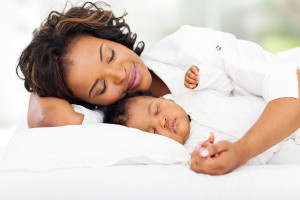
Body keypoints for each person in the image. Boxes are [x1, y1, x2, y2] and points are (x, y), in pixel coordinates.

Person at [16, 1, 300, 175]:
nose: (121, 74)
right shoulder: (116, 121)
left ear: (112, 38)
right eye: (100, 86)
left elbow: (291, 86)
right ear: (88, 101)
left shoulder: (188, 47)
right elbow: (46, 118)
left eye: (111, 55)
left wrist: (241, 151)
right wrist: (44, 67)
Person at [102, 91, 300, 172]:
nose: (161, 122)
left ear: (167, 98)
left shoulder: (194, 92)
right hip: (278, 154)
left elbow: (221, 79)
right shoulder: (187, 153)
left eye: (156, 109)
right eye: (153, 131)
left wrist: (198, 74)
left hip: (279, 114)